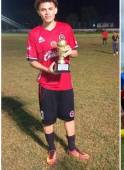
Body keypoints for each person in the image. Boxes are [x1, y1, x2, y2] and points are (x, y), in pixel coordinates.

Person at [26, 0, 89, 165]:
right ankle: (52, 149)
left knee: (69, 117)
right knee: (47, 120)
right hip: (46, 85)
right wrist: (48, 70)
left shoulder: (65, 28)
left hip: (65, 83)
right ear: (39, 12)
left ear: (56, 10)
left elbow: (75, 53)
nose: (47, 12)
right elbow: (32, 61)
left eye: (50, 9)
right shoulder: (34, 33)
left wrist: (69, 50)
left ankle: (72, 148)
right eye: (43, 10)